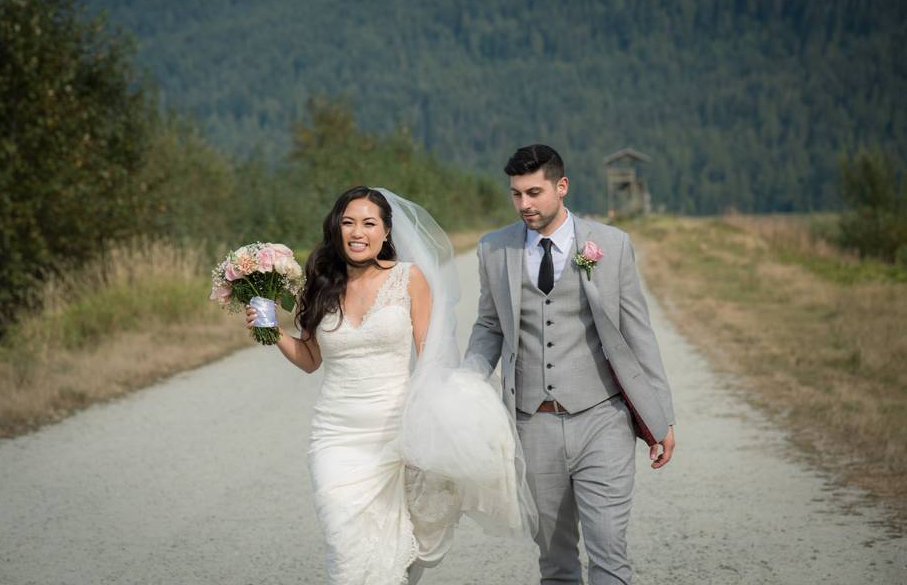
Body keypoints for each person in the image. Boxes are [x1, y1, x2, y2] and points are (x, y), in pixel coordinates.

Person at [247, 186, 536, 585]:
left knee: (393, 549)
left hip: (396, 433)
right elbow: (311, 360)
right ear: (336, 229)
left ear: (386, 233)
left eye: (368, 223)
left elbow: (430, 353)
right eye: (348, 223)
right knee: (345, 546)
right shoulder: (320, 283)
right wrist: (272, 331)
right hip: (336, 437)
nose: (357, 232)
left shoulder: (409, 278)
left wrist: (433, 421)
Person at [465, 145, 676, 585]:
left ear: (562, 187)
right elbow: (489, 325)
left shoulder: (611, 245)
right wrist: (465, 386)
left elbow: (638, 334)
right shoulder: (493, 249)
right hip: (531, 424)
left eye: (535, 192)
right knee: (556, 564)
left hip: (603, 420)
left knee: (609, 556)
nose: (525, 204)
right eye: (516, 194)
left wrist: (660, 417)